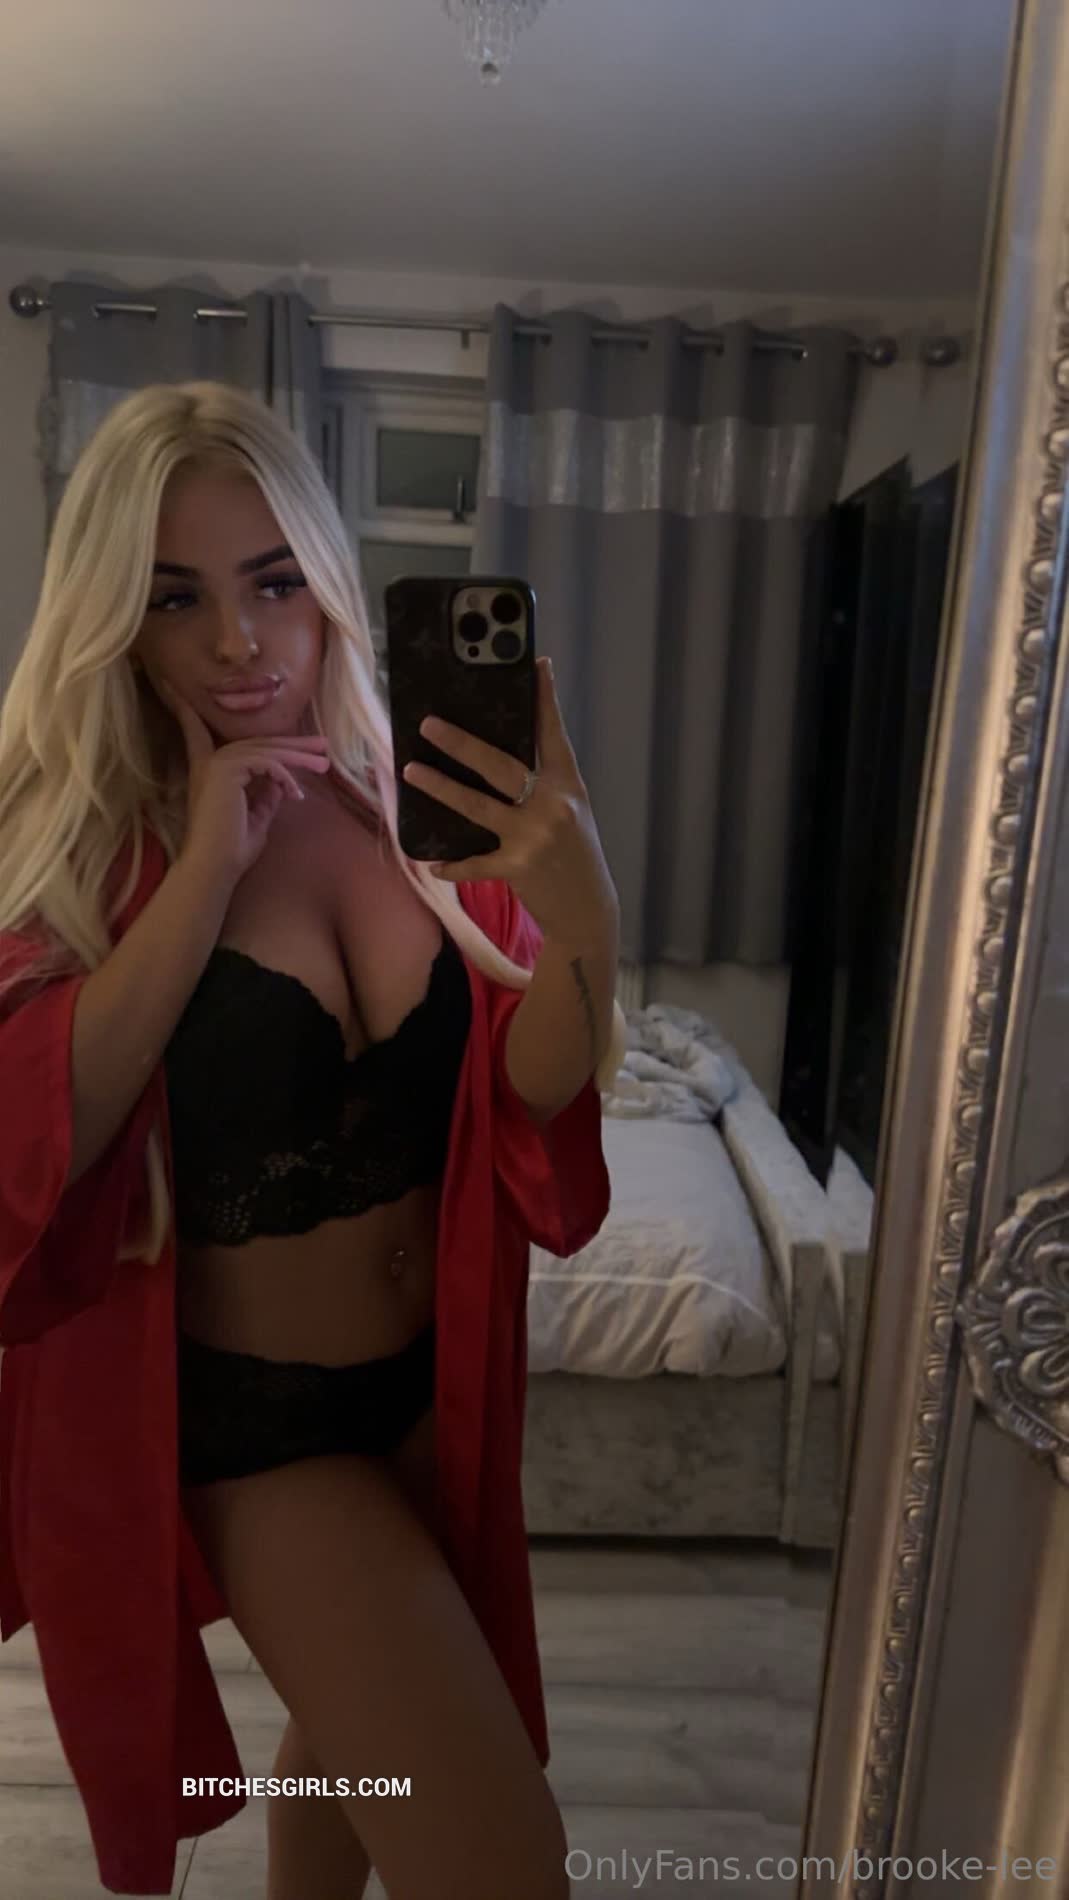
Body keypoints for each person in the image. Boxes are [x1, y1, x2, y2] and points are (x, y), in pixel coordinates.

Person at [0, 381, 626, 1899]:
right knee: (504, 1864)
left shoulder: (411, 816)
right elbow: (43, 1140)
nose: (239, 640)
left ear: (330, 581)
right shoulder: (86, 845)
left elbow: (522, 1098)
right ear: (113, 620)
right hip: (262, 1431)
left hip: (430, 1391)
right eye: (177, 597)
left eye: (274, 581)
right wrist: (206, 865)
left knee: (354, 1762)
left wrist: (587, 924)